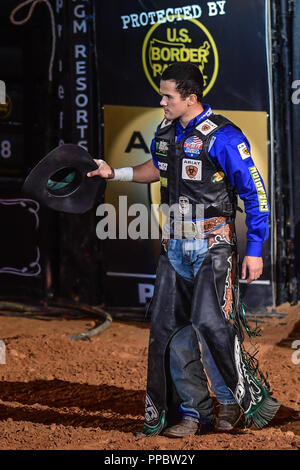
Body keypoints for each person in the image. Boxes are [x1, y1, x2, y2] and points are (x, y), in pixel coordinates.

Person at [87, 62, 280, 438]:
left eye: (167, 96)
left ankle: (232, 402)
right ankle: (194, 410)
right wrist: (116, 174)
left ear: (191, 98)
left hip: (213, 244)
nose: (161, 101)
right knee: (171, 331)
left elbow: (255, 194)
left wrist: (255, 249)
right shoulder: (166, 131)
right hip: (174, 246)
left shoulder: (224, 136)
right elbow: (157, 169)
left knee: (211, 323)